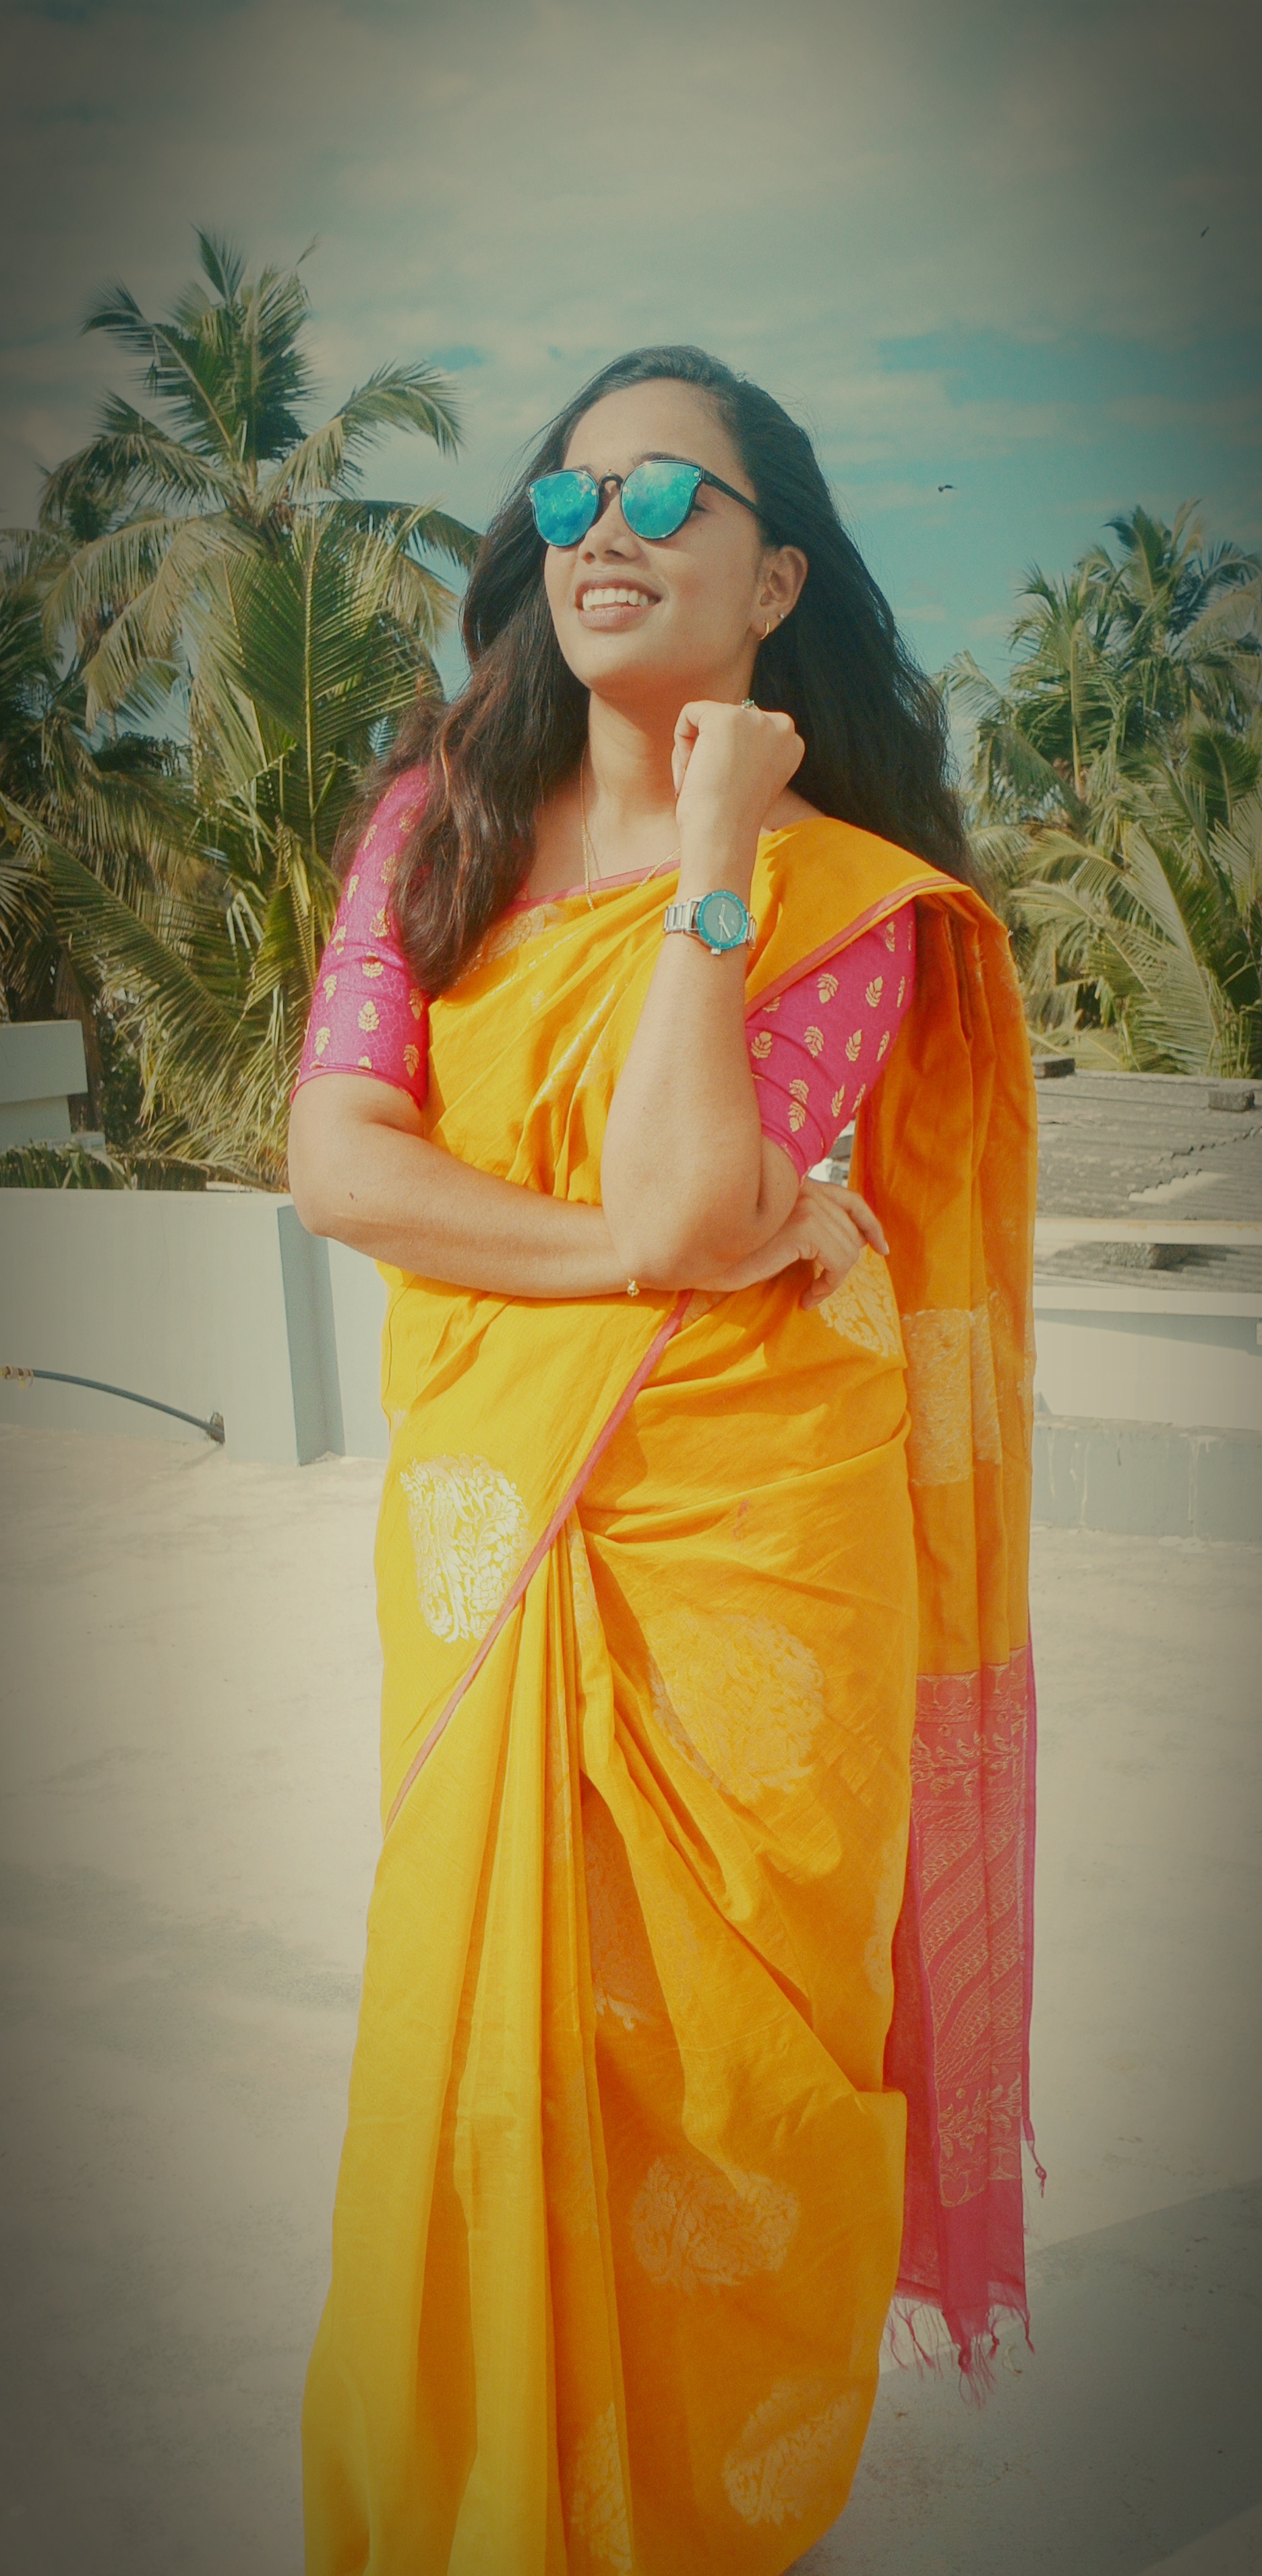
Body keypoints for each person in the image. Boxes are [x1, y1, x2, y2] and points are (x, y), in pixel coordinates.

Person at [288, 346, 1038, 2576]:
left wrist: (716, 854)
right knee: (485, 2051)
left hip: (756, 1559)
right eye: (569, 491)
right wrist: (634, 1264)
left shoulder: (847, 897)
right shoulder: (433, 825)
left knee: (725, 2084)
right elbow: (346, 1163)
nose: (600, 527)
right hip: (495, 1532)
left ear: (776, 577)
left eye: (664, 494)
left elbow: (698, 1189)